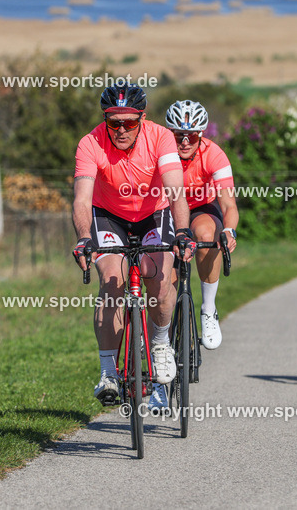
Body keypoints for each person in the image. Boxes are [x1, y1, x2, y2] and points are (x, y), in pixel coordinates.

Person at [71, 83, 195, 408]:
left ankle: (159, 344)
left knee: (157, 277)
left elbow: (176, 190)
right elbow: (82, 200)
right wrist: (84, 237)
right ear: (105, 120)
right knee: (112, 282)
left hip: (154, 214)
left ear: (142, 117)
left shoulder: (160, 138)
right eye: (114, 123)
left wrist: (182, 231)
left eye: (129, 122)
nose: (121, 129)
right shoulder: (90, 143)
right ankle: (108, 371)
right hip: (110, 216)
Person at [164, 100, 239, 350]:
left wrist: (228, 230)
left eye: (192, 135)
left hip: (201, 209)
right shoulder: (159, 152)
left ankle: (208, 309)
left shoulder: (214, 154)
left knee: (207, 234)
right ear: (169, 134)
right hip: (166, 209)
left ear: (201, 135)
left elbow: (228, 204)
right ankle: (158, 327)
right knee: (163, 271)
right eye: (178, 135)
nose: (185, 141)